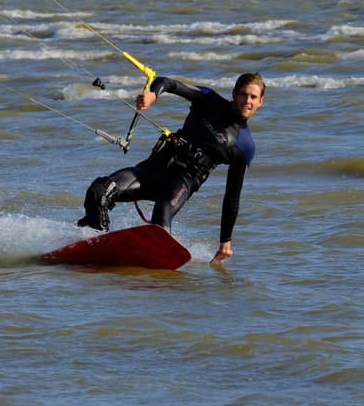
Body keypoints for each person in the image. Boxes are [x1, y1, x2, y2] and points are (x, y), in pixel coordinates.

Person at [77, 73, 266, 264]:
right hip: (152, 170)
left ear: (261, 102)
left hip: (181, 183)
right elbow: (167, 82)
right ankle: (96, 246)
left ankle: (154, 272)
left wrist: (225, 242)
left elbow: (232, 197)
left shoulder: (245, 147)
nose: (247, 101)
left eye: (253, 97)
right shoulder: (209, 99)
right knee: (99, 192)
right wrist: (152, 96)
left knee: (159, 228)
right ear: (234, 93)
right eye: (243, 94)